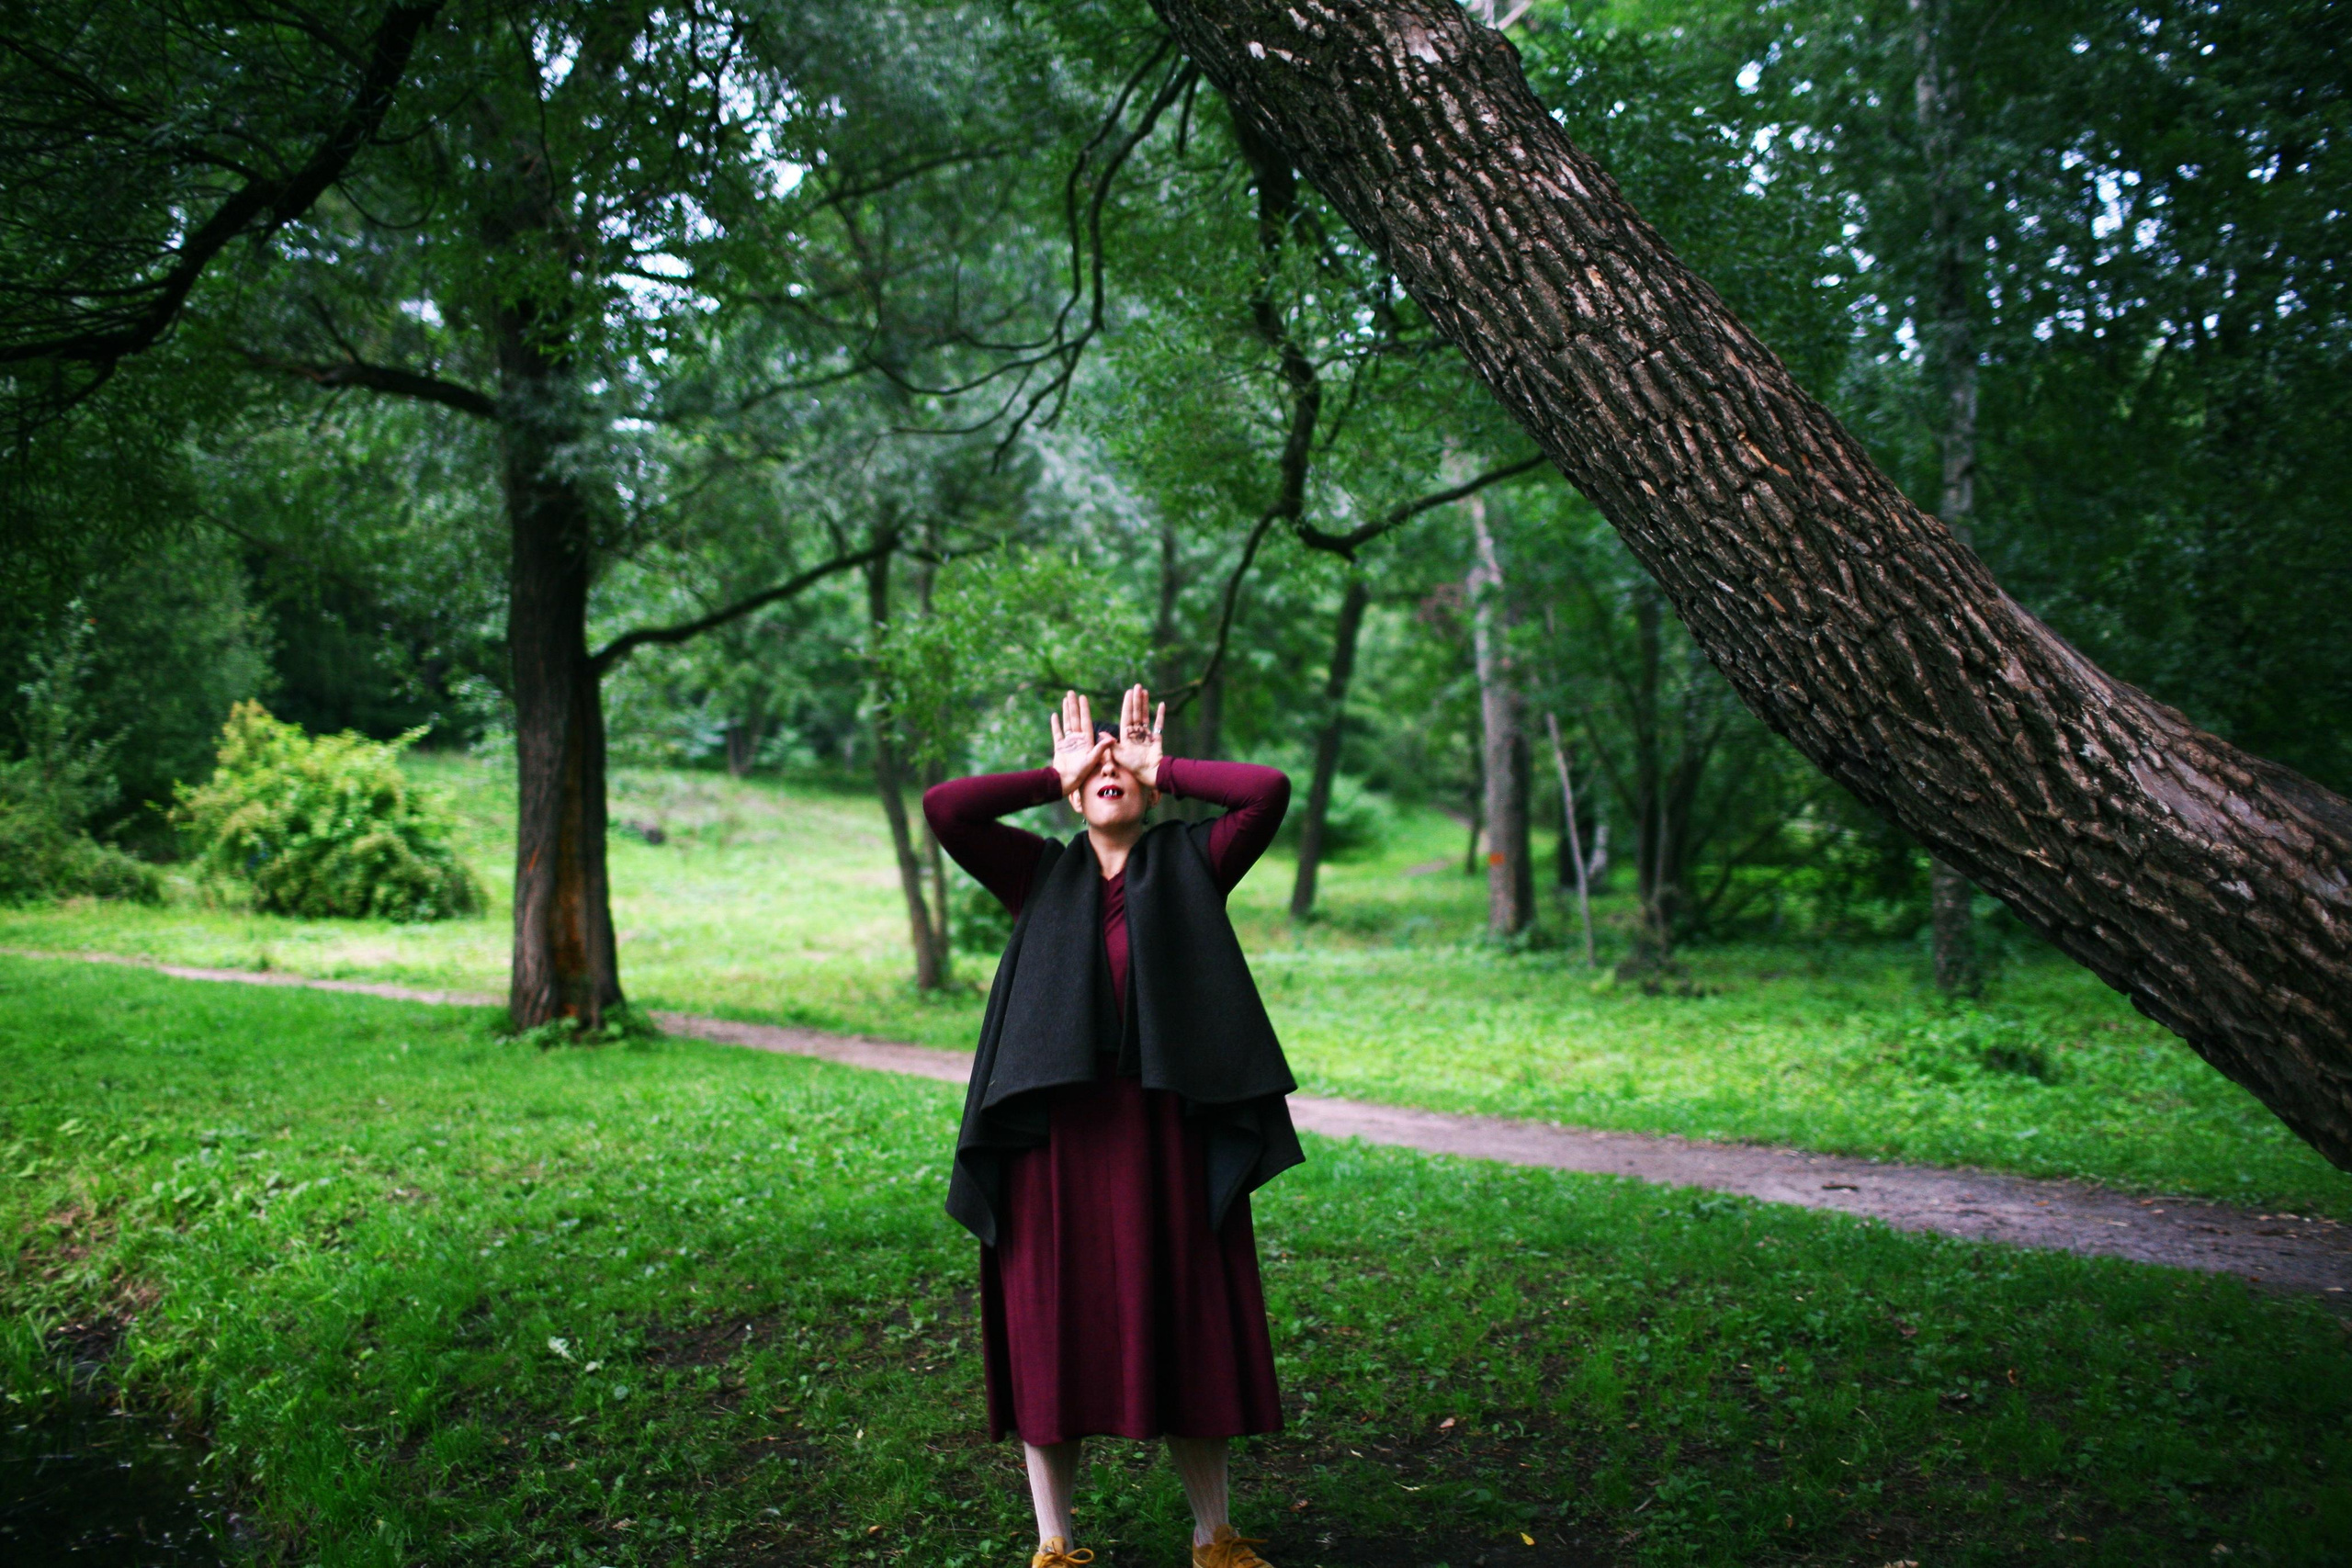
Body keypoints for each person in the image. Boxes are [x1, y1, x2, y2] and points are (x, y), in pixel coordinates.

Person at [923, 685, 1304, 1568]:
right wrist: (1048, 773)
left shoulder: (1194, 859)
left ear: (1149, 788)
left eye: (1120, 767)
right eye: (1093, 767)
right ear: (1070, 792)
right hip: (1052, 1145)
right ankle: (1055, 1542)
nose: (1108, 771)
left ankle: (1215, 1537)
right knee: (1049, 1323)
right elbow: (947, 808)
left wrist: (1154, 763)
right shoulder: (1038, 871)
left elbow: (1266, 790)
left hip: (1166, 1134)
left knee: (1187, 1317)